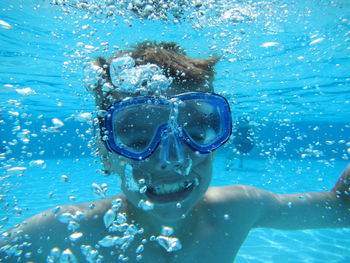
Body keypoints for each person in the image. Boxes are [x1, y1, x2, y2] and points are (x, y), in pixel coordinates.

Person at [0, 41, 349, 263]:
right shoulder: (62, 230)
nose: (173, 159)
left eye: (196, 133)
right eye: (137, 139)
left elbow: (339, 211)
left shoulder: (239, 209)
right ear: (105, 154)